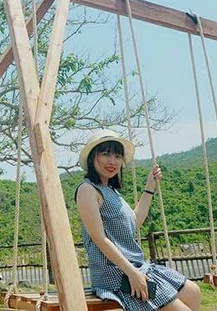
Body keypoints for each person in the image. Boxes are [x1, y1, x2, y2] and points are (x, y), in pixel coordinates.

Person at [75, 130, 201, 311]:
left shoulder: (111, 190)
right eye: (105, 154)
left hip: (137, 266)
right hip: (115, 274)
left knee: (193, 291)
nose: (113, 161)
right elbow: (99, 238)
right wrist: (132, 273)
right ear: (92, 157)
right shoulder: (87, 190)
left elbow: (133, 222)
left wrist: (150, 187)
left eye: (118, 156)